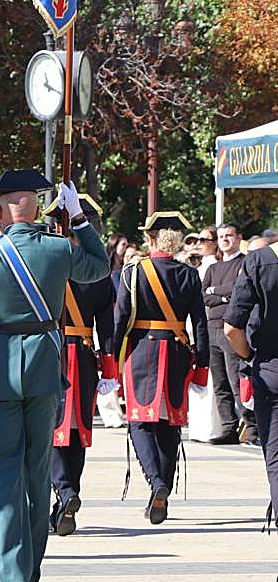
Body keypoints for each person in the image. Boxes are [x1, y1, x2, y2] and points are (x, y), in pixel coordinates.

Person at [0, 170, 109, 582]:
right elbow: (100, 268)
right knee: (36, 469)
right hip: (43, 369)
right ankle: (31, 571)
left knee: (2, 473)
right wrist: (80, 219)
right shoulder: (57, 249)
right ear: (39, 207)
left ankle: (12, 572)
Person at [114, 212, 209, 525]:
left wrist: (114, 357)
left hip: (141, 351)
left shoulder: (133, 272)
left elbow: (121, 318)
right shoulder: (189, 274)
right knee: (171, 424)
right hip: (178, 351)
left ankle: (157, 483)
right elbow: (200, 324)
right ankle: (163, 488)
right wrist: (202, 363)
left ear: (151, 239)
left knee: (139, 421)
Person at [43, 194, 117, 537]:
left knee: (52, 429)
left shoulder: (46, 262)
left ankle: (64, 491)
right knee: (77, 432)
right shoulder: (98, 272)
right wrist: (109, 367)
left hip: (51, 350)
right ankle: (69, 493)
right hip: (86, 353)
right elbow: (108, 324)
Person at [224, 240, 278, 538]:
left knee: (276, 455)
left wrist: (250, 358)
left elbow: (232, 328)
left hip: (271, 366)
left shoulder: (259, 261)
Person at [203, 222, 257, 445]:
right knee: (220, 383)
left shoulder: (244, 263)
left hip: (233, 328)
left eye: (229, 235)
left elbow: (237, 289)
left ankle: (252, 429)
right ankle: (228, 428)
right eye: (222, 236)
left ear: (238, 238)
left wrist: (217, 293)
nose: (225, 239)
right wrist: (223, 295)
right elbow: (203, 295)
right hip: (212, 328)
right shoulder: (213, 268)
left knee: (238, 381)